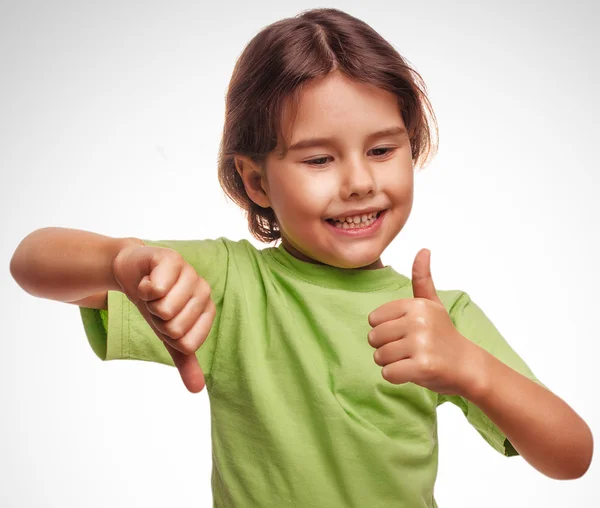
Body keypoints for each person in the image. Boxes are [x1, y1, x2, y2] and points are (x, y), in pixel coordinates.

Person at [9, 7, 593, 508]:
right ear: (256, 181)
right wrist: (118, 261)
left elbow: (571, 456)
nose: (360, 181)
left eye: (384, 149)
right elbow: (29, 263)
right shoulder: (231, 285)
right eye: (319, 160)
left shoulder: (437, 316)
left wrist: (471, 367)